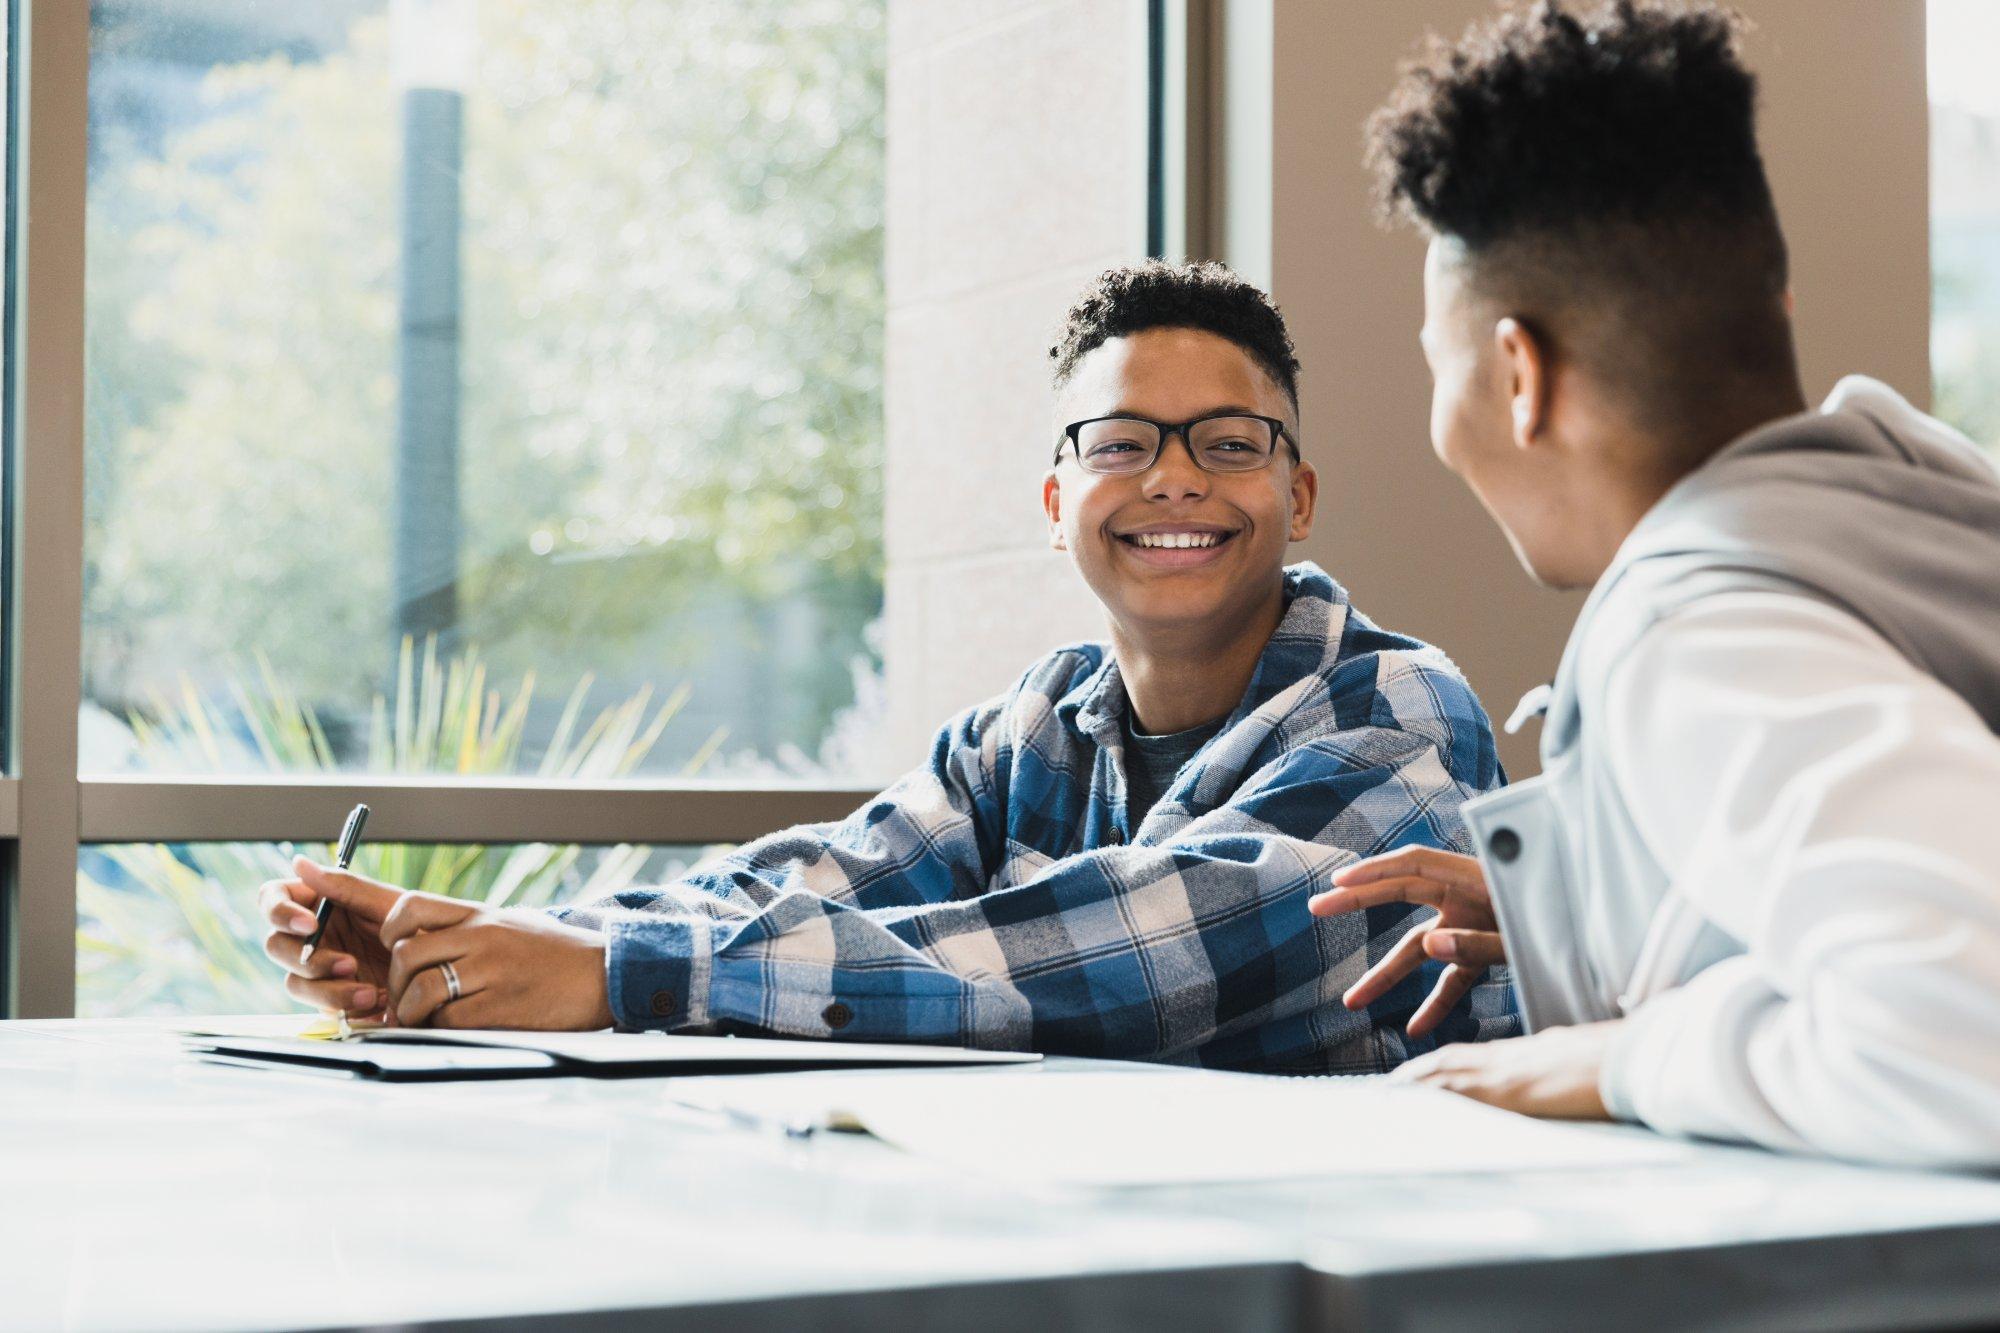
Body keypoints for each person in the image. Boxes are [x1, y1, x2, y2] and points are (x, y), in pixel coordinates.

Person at [259, 261, 1519, 1072]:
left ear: (1295, 497)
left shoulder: (1393, 711)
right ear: (1053, 500)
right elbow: (813, 878)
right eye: (1121, 441)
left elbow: (1116, 957)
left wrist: (612, 974)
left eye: (1226, 443)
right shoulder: (1026, 731)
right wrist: (498, 945)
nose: (1173, 477)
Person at [1311, 0, 2000, 1164]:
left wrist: (1627, 1057)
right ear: (1769, 303)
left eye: (1443, 368)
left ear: (1518, 374)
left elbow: (1969, 1030)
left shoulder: (1691, 627)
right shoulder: (1927, 503)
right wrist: (1588, 911)